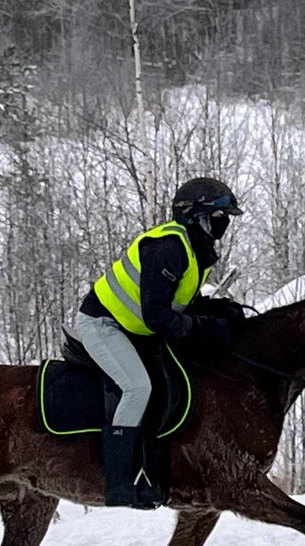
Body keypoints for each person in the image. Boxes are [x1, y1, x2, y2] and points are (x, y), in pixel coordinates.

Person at [76, 177, 244, 508]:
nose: (224, 224)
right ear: (198, 216)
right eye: (220, 216)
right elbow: (158, 317)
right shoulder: (169, 248)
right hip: (104, 325)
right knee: (138, 388)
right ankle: (119, 477)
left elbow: (179, 305)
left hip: (133, 330)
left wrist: (217, 311)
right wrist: (206, 328)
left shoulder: (196, 251)